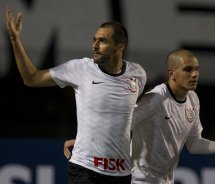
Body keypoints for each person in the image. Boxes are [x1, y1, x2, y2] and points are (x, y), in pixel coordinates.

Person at [6, 6, 146, 184]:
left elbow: (128, 115)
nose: (95, 45)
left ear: (119, 48)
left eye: (102, 41)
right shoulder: (79, 69)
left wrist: (86, 137)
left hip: (121, 172)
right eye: (94, 40)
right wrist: (15, 40)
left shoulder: (138, 75)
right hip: (85, 168)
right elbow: (31, 78)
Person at [64, 49, 215, 184]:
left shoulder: (193, 99)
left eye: (196, 69)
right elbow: (119, 124)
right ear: (172, 73)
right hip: (139, 179)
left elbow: (194, 144)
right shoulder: (156, 100)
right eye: (188, 69)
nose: (194, 74)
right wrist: (84, 141)